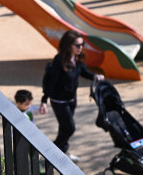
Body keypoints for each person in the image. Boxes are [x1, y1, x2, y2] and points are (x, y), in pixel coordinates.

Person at [41, 30, 103, 162]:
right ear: (69, 45)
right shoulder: (59, 61)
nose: (81, 48)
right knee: (69, 128)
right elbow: (51, 82)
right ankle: (50, 152)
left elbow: (83, 72)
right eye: (78, 45)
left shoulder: (78, 58)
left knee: (64, 128)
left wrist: (94, 76)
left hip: (72, 100)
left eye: (82, 45)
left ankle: (63, 151)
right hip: (59, 101)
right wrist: (44, 100)